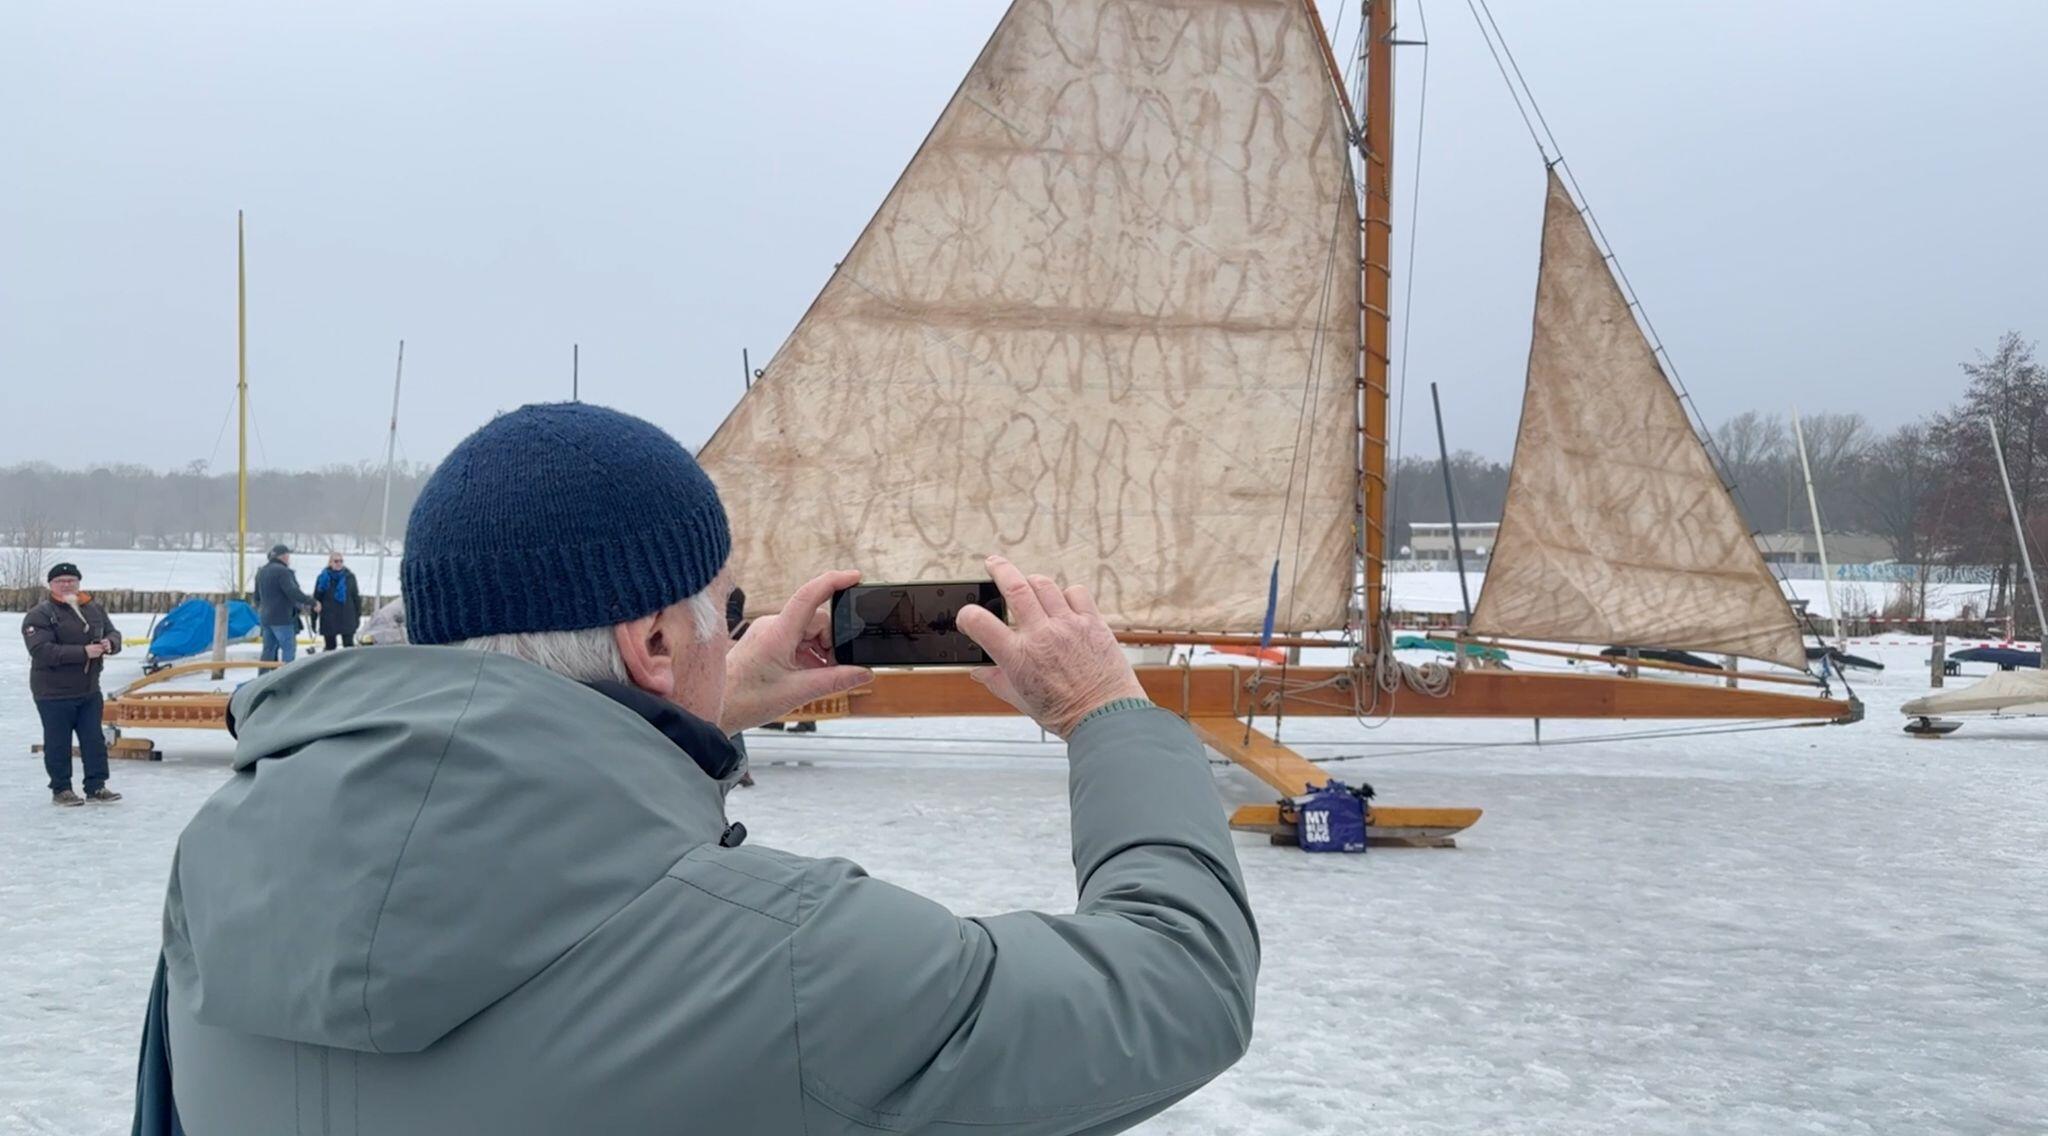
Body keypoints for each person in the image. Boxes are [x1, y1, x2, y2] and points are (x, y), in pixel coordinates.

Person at [142, 403, 1257, 1136]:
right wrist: (1104, 712)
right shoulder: (796, 958)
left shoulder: (225, 876)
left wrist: (696, 710)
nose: (741, 629)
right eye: (728, 608)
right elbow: (1178, 985)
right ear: (653, 643)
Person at [21, 562, 123, 805]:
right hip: (53, 691)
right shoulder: (40, 615)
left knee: (94, 740)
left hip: (88, 689)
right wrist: (83, 652)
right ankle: (61, 789)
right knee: (58, 742)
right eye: (60, 581)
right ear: (51, 585)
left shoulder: (93, 608)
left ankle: (96, 786)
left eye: (71, 580)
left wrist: (111, 643)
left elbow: (113, 632)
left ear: (78, 583)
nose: (66, 584)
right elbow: (41, 650)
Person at [251, 543, 313, 662]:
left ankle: (264, 673)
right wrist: (310, 601)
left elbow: (257, 596)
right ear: (283, 556)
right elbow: (292, 591)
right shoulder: (284, 572)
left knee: (268, 650)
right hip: (282, 618)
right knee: (289, 649)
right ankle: (288, 673)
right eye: (287, 555)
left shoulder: (261, 571)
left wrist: (262, 609)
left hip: (266, 618)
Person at [312, 552, 362, 650]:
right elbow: (316, 599)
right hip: (329, 617)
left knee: (348, 646)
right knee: (330, 647)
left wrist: (358, 615)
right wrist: (313, 618)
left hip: (347, 616)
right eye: (336, 561)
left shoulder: (349, 577)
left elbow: (355, 597)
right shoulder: (322, 578)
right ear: (330, 562)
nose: (339, 563)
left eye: (341, 561)